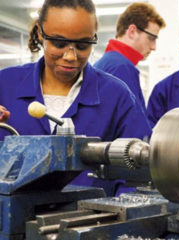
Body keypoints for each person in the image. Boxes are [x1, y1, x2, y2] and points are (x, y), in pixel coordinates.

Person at [0, 0, 151, 196]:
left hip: (94, 222)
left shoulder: (116, 97)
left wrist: (115, 217)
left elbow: (138, 176)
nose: (70, 56)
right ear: (40, 33)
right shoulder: (5, 85)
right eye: (59, 43)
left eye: (82, 45)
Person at [93, 2, 166, 112]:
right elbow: (132, 124)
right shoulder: (123, 67)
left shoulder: (105, 63)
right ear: (132, 32)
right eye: (151, 38)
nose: (153, 47)